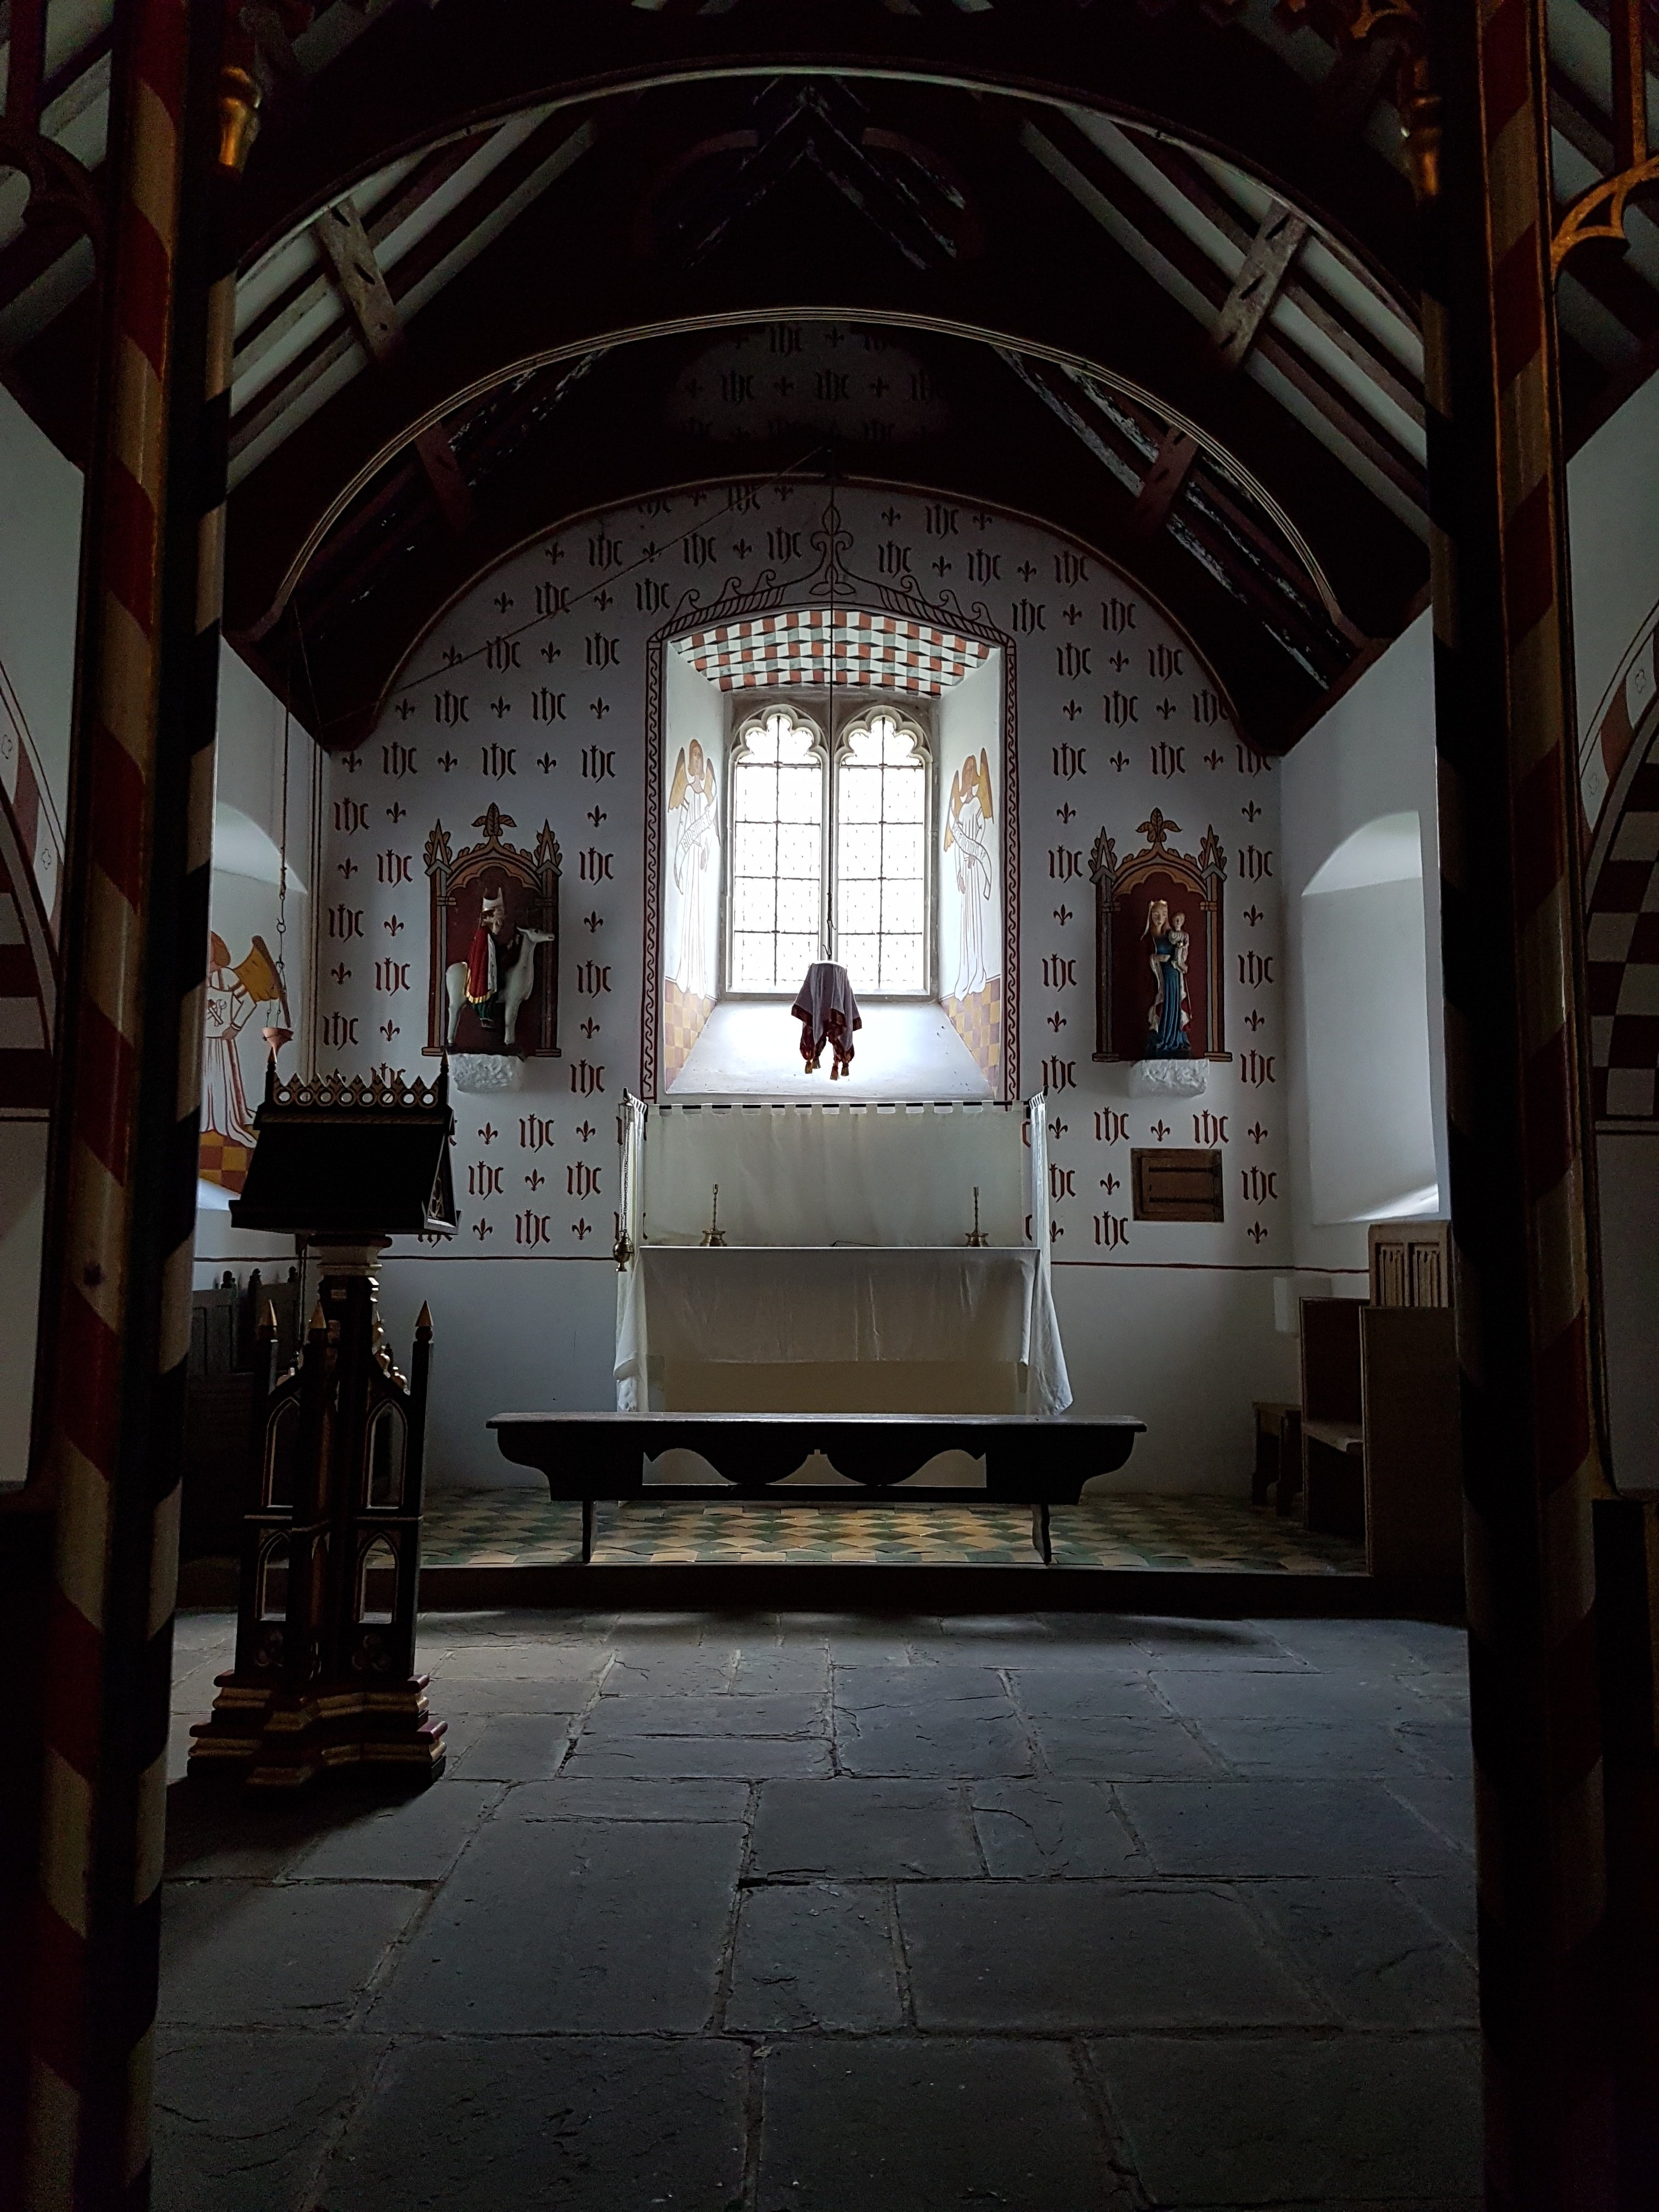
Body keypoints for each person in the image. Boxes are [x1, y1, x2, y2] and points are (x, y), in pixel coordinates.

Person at [667, 738, 718, 999]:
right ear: (689, 761)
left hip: (700, 859)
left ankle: (699, 973)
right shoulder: (687, 792)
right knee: (689, 914)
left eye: (700, 757)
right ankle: (686, 970)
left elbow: (708, 830)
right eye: (694, 756)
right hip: (690, 860)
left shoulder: (708, 796)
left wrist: (707, 851)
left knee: (699, 913)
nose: (697, 760)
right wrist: (680, 861)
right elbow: (683, 825)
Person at [944, 748, 994, 1000]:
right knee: (966, 922)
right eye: (965, 771)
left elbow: (982, 829)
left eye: (971, 771)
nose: (968, 774)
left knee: (975, 918)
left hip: (975, 867)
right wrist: (958, 874)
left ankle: (978, 972)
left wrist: (975, 853)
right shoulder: (962, 807)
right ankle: (966, 971)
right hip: (966, 869)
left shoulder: (975, 804)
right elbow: (956, 842)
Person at [1144, 896, 1191, 1056]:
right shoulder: (1149, 939)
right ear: (1150, 916)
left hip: (1174, 976)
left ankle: (1176, 1041)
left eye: (1163, 915)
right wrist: (1156, 959)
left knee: (1175, 1008)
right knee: (1162, 1008)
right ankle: (1161, 1039)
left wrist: (1183, 947)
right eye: (1156, 915)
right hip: (1159, 980)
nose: (1160, 919)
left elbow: (1182, 949)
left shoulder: (1170, 935)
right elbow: (1143, 961)